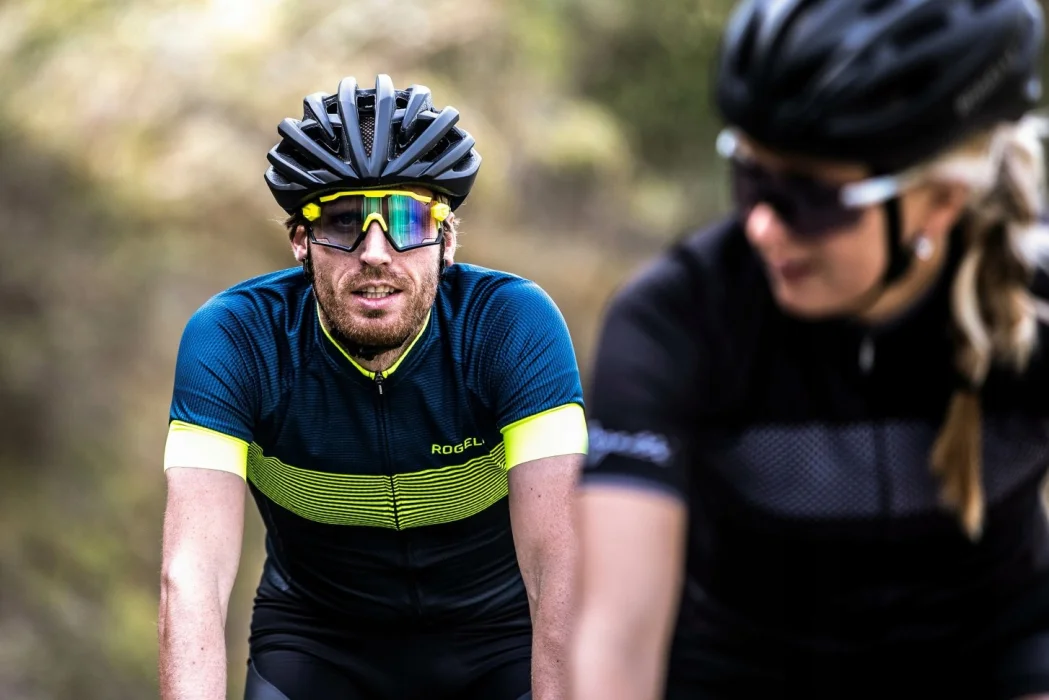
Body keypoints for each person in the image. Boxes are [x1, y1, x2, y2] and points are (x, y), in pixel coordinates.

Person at [571, 1, 1049, 698]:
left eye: (812, 196)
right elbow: (615, 640)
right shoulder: (675, 319)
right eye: (749, 175)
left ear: (943, 199)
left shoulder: (1033, 301)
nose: (763, 227)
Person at [158, 74, 586, 700]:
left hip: (500, 641)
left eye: (408, 219)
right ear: (301, 240)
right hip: (316, 646)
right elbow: (191, 578)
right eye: (343, 221)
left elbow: (561, 569)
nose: (377, 252)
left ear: (446, 240)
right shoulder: (236, 339)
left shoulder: (510, 325)